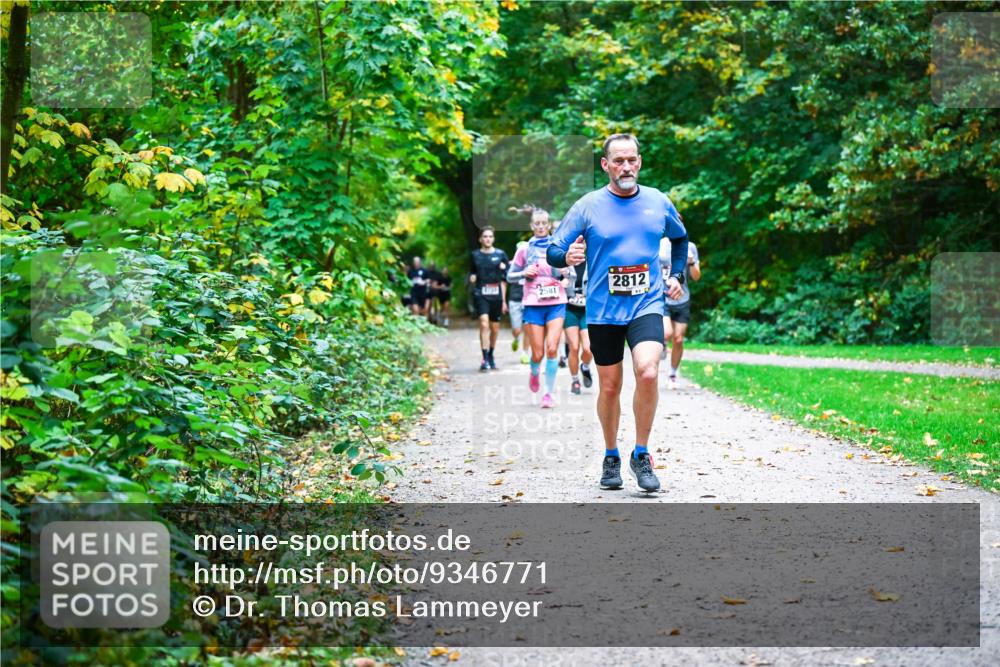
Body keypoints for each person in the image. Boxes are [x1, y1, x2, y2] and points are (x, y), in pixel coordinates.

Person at [548, 133, 689, 492]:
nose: (626, 166)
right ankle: (611, 455)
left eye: (632, 160)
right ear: (605, 165)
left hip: (646, 304)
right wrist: (566, 257)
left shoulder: (658, 202)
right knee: (610, 387)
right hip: (603, 311)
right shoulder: (588, 206)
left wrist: (676, 275)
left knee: (647, 371)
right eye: (619, 161)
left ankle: (641, 453)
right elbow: (553, 250)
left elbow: (680, 239)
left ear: (639, 162)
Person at [507, 207, 573, 409]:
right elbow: (510, 276)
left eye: (544, 223)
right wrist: (524, 273)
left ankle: (548, 394)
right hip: (533, 304)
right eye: (537, 224)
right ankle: (535, 372)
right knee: (537, 354)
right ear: (532, 226)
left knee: (552, 348)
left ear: (549, 224)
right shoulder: (524, 250)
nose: (541, 227)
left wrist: (565, 276)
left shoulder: (558, 248)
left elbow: (572, 275)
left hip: (556, 303)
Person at [659, 239, 701, 388]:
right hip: (663, 297)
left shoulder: (690, 246)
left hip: (682, 299)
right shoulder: (659, 244)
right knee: (666, 333)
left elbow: (696, 276)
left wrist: (690, 262)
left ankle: (672, 373)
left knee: (678, 339)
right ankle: (663, 344)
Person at [469, 226, 509, 371]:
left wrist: (504, 301)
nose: (488, 239)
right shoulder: (475, 255)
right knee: (484, 324)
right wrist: (472, 277)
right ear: (480, 239)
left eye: (490, 236)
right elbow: (472, 272)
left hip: (496, 294)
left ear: (493, 238)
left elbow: (506, 278)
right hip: (481, 293)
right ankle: (484, 358)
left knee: (494, 328)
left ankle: (491, 354)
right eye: (485, 236)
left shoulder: (500, 254)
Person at [564, 262, 594, 394]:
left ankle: (585, 366)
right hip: (569, 310)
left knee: (589, 348)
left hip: (586, 311)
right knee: (574, 347)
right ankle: (575, 381)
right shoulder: (563, 263)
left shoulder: (591, 262)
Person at [508, 241, 529, 364]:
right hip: (515, 299)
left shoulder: (533, 264)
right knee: (517, 329)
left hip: (528, 300)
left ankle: (525, 353)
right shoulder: (512, 265)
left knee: (527, 328)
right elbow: (506, 279)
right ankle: (516, 338)